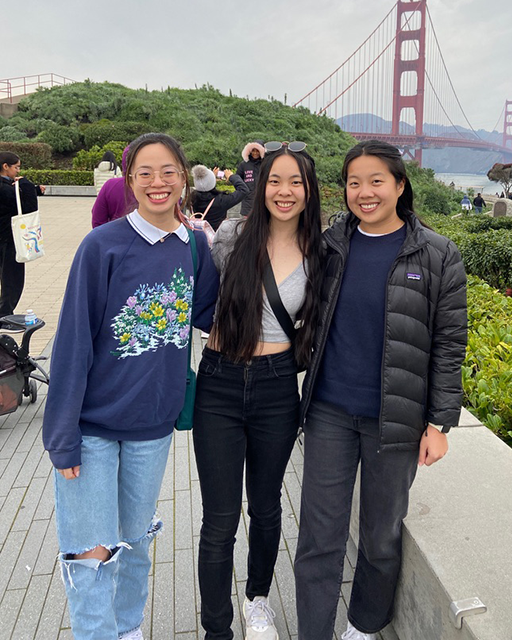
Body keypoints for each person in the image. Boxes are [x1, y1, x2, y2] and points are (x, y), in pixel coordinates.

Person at [42, 132, 219, 640]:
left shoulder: (194, 247)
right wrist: (61, 434)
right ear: (129, 180)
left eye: (168, 171)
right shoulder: (102, 246)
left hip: (151, 427)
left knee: (135, 541)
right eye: (145, 172)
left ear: (184, 178)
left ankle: (127, 629)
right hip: (91, 428)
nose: (157, 182)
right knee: (91, 552)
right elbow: (72, 342)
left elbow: (213, 316)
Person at [293, 140, 468, 640]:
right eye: (353, 182)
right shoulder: (330, 245)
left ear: (399, 185)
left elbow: (449, 342)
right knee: (318, 535)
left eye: (376, 181)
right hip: (328, 411)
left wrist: (439, 422)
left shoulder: (437, 254)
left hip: (396, 418)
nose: (364, 192)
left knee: (381, 535)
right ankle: (314, 631)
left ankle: (363, 627)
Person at [192, 141, 323, 640]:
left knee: (266, 509)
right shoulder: (233, 232)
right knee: (219, 519)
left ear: (310, 190)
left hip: (275, 390)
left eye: (296, 182)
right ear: (259, 184)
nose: (284, 191)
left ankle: (257, 601)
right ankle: (216, 628)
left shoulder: (324, 249)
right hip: (220, 384)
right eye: (275, 180)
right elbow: (201, 297)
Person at [0, 151, 45, 315]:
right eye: (16, 167)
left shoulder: (6, 187)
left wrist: (33, 189)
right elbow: (29, 207)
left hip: (3, 237)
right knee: (12, 279)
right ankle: (4, 315)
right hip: (9, 238)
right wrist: (26, 185)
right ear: (5, 167)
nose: (18, 171)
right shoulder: (5, 189)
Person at [190, 164, 249, 231]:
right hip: (216, 237)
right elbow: (243, 190)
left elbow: (203, 186)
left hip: (199, 236)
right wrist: (231, 177)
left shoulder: (191, 199)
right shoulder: (221, 201)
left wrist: (210, 178)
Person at [91, 147, 137, 228]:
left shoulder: (96, 169)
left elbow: (97, 221)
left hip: (101, 192)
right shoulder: (115, 168)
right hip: (117, 192)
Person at [236, 141, 265, 216]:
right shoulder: (244, 164)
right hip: (248, 200)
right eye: (253, 150)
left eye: (257, 151)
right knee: (247, 224)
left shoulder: (265, 164)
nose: (255, 153)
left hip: (263, 198)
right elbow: (237, 179)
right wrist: (243, 191)